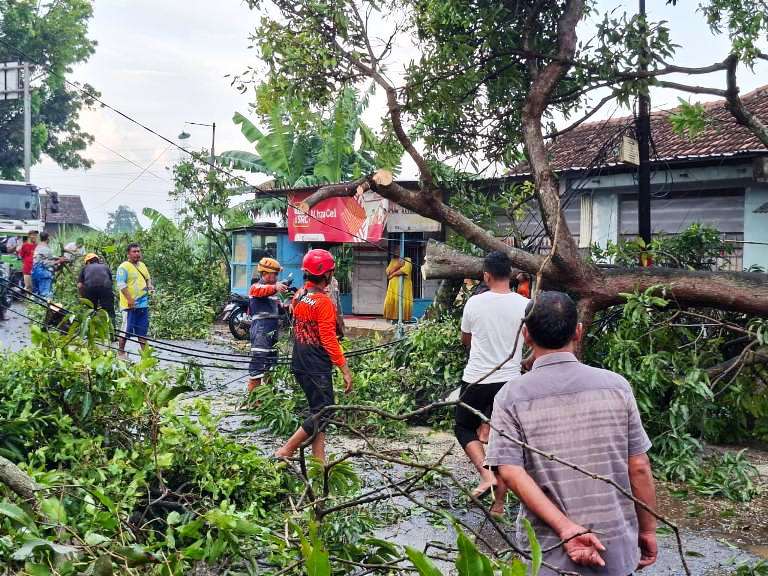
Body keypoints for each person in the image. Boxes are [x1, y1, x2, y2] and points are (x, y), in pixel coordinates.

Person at [486, 291, 657, 576]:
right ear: (578, 332)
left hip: (549, 555)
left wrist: (566, 529)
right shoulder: (616, 387)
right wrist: (648, 529)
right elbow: (638, 466)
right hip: (613, 550)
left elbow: (510, 472)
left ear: (526, 335)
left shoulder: (511, 397)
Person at [455, 251, 529, 518]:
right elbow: (530, 340)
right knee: (502, 438)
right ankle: (498, 506)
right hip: (510, 381)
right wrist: (525, 360)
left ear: (486, 276)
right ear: (510, 275)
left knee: (463, 426)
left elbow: (466, 339)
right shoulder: (525, 305)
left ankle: (486, 475)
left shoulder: (474, 303)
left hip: (477, 378)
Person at [275, 249, 353, 462]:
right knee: (325, 412)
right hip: (315, 363)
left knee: (317, 410)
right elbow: (328, 339)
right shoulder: (323, 302)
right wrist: (345, 369)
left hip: (299, 360)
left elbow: (296, 314)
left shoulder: (300, 295)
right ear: (327, 275)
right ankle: (287, 449)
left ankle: (319, 460)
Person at [247, 257, 288, 392]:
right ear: (264, 273)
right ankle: (253, 398)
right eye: (274, 274)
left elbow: (280, 309)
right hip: (261, 329)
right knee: (258, 361)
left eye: (277, 274)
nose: (276, 277)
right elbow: (263, 290)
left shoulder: (273, 292)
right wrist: (275, 287)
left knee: (271, 363)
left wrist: (288, 305)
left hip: (273, 328)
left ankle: (268, 396)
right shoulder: (256, 287)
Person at [116, 243, 153, 357]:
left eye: (138, 251)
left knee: (142, 332)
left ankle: (146, 356)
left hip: (143, 305)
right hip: (129, 306)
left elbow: (148, 279)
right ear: (128, 254)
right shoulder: (123, 267)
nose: (137, 253)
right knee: (125, 330)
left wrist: (150, 287)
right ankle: (121, 352)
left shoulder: (142, 265)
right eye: (134, 251)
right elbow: (121, 285)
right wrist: (130, 300)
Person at [77, 253, 116, 329]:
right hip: (105, 288)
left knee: (91, 310)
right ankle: (112, 333)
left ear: (88, 262)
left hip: (90, 289)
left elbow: (80, 285)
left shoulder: (85, 268)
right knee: (109, 311)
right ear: (97, 260)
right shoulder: (105, 267)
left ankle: (93, 333)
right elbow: (111, 281)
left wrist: (83, 297)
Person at [383, 256, 413, 322]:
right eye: (395, 248)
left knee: (402, 301)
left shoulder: (407, 259)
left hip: (403, 285)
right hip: (393, 286)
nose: (395, 250)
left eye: (398, 248)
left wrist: (393, 274)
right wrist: (397, 266)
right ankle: (392, 319)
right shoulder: (393, 260)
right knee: (392, 300)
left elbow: (405, 271)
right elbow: (388, 272)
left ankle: (402, 320)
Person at [31, 232, 61, 298]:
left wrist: (57, 258)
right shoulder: (46, 248)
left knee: (36, 295)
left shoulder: (38, 247)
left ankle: (34, 307)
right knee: (45, 296)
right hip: (43, 274)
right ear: (47, 239)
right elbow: (47, 263)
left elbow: (43, 258)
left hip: (34, 273)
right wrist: (59, 261)